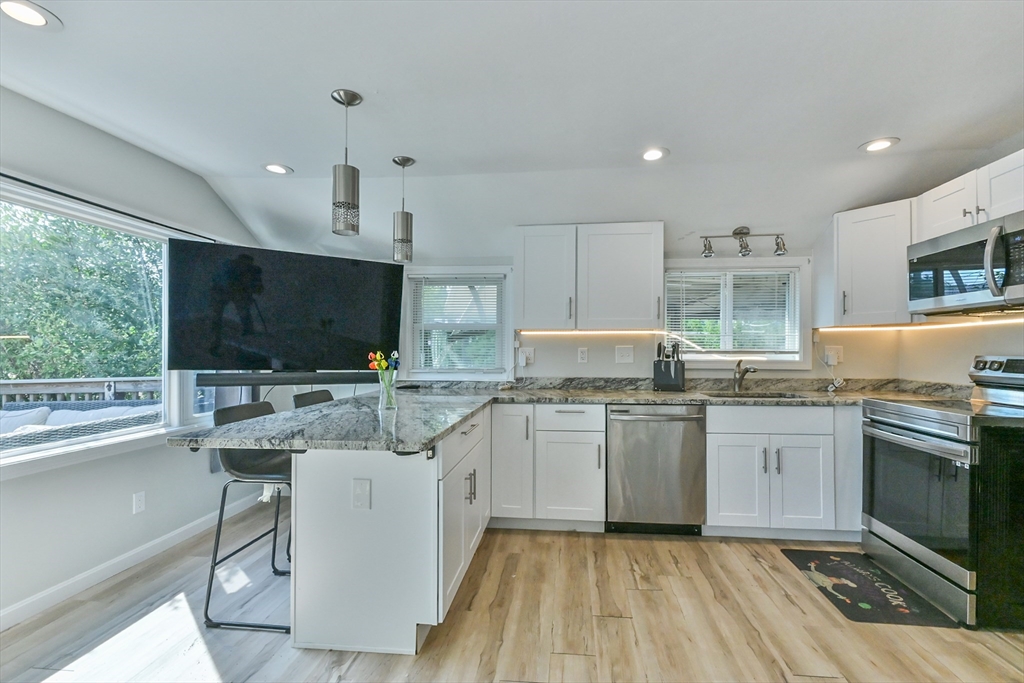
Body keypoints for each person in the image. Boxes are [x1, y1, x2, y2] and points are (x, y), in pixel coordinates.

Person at [208, 254, 264, 356]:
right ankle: (214, 343)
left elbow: (258, 288)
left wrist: (252, 288)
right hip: (221, 291)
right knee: (216, 317)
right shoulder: (227, 267)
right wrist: (241, 289)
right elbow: (222, 282)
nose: (244, 266)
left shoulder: (253, 271)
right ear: (237, 261)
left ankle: (248, 339)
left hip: (237, 292)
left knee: (244, 313)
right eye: (242, 264)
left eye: (247, 265)